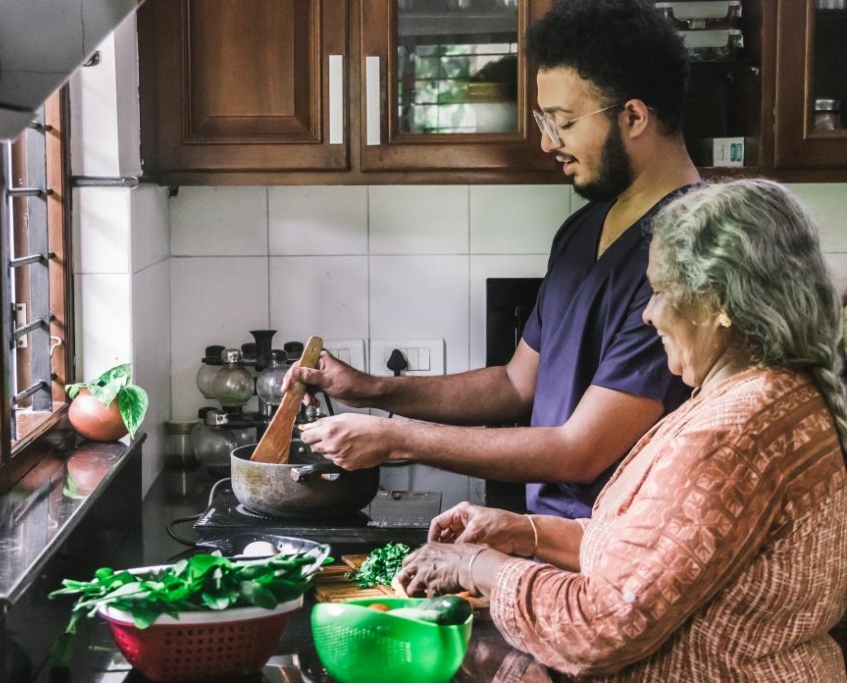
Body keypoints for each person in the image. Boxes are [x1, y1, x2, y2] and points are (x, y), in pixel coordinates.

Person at [396, 178, 847, 681]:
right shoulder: (767, 397)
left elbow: (600, 625)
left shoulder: (732, 434)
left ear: (715, 302)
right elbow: (652, 554)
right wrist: (528, 531)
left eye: (659, 292)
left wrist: (474, 566)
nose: (649, 315)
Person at [287, 0, 696, 519]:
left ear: (634, 116)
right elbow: (514, 383)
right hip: (549, 545)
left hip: (620, 557)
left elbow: (581, 450)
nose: (550, 144)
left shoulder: (694, 255)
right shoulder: (583, 228)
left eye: (565, 123)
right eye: (544, 121)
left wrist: (395, 439)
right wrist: (369, 389)